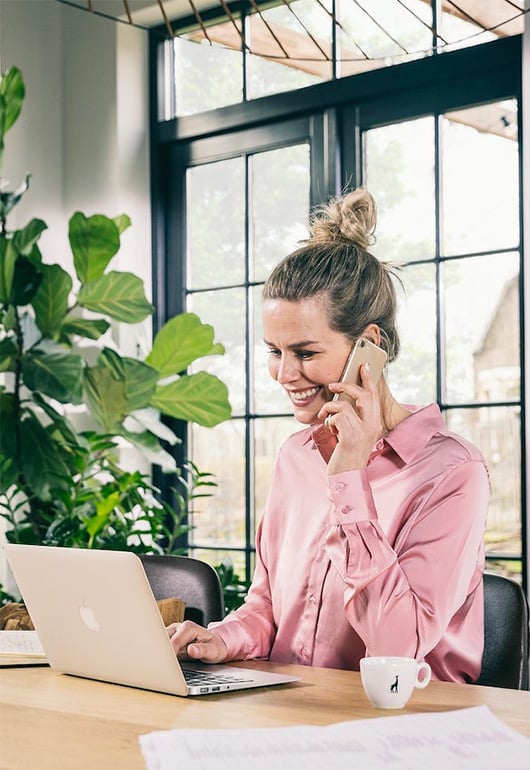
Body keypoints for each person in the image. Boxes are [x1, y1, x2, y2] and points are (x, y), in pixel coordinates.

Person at [169, 188, 490, 683]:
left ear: (369, 344)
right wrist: (223, 637)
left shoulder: (452, 474)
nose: (284, 374)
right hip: (294, 715)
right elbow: (268, 608)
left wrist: (349, 478)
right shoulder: (296, 457)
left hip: (407, 728)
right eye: (275, 352)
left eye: (305, 352)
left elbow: (395, 649)